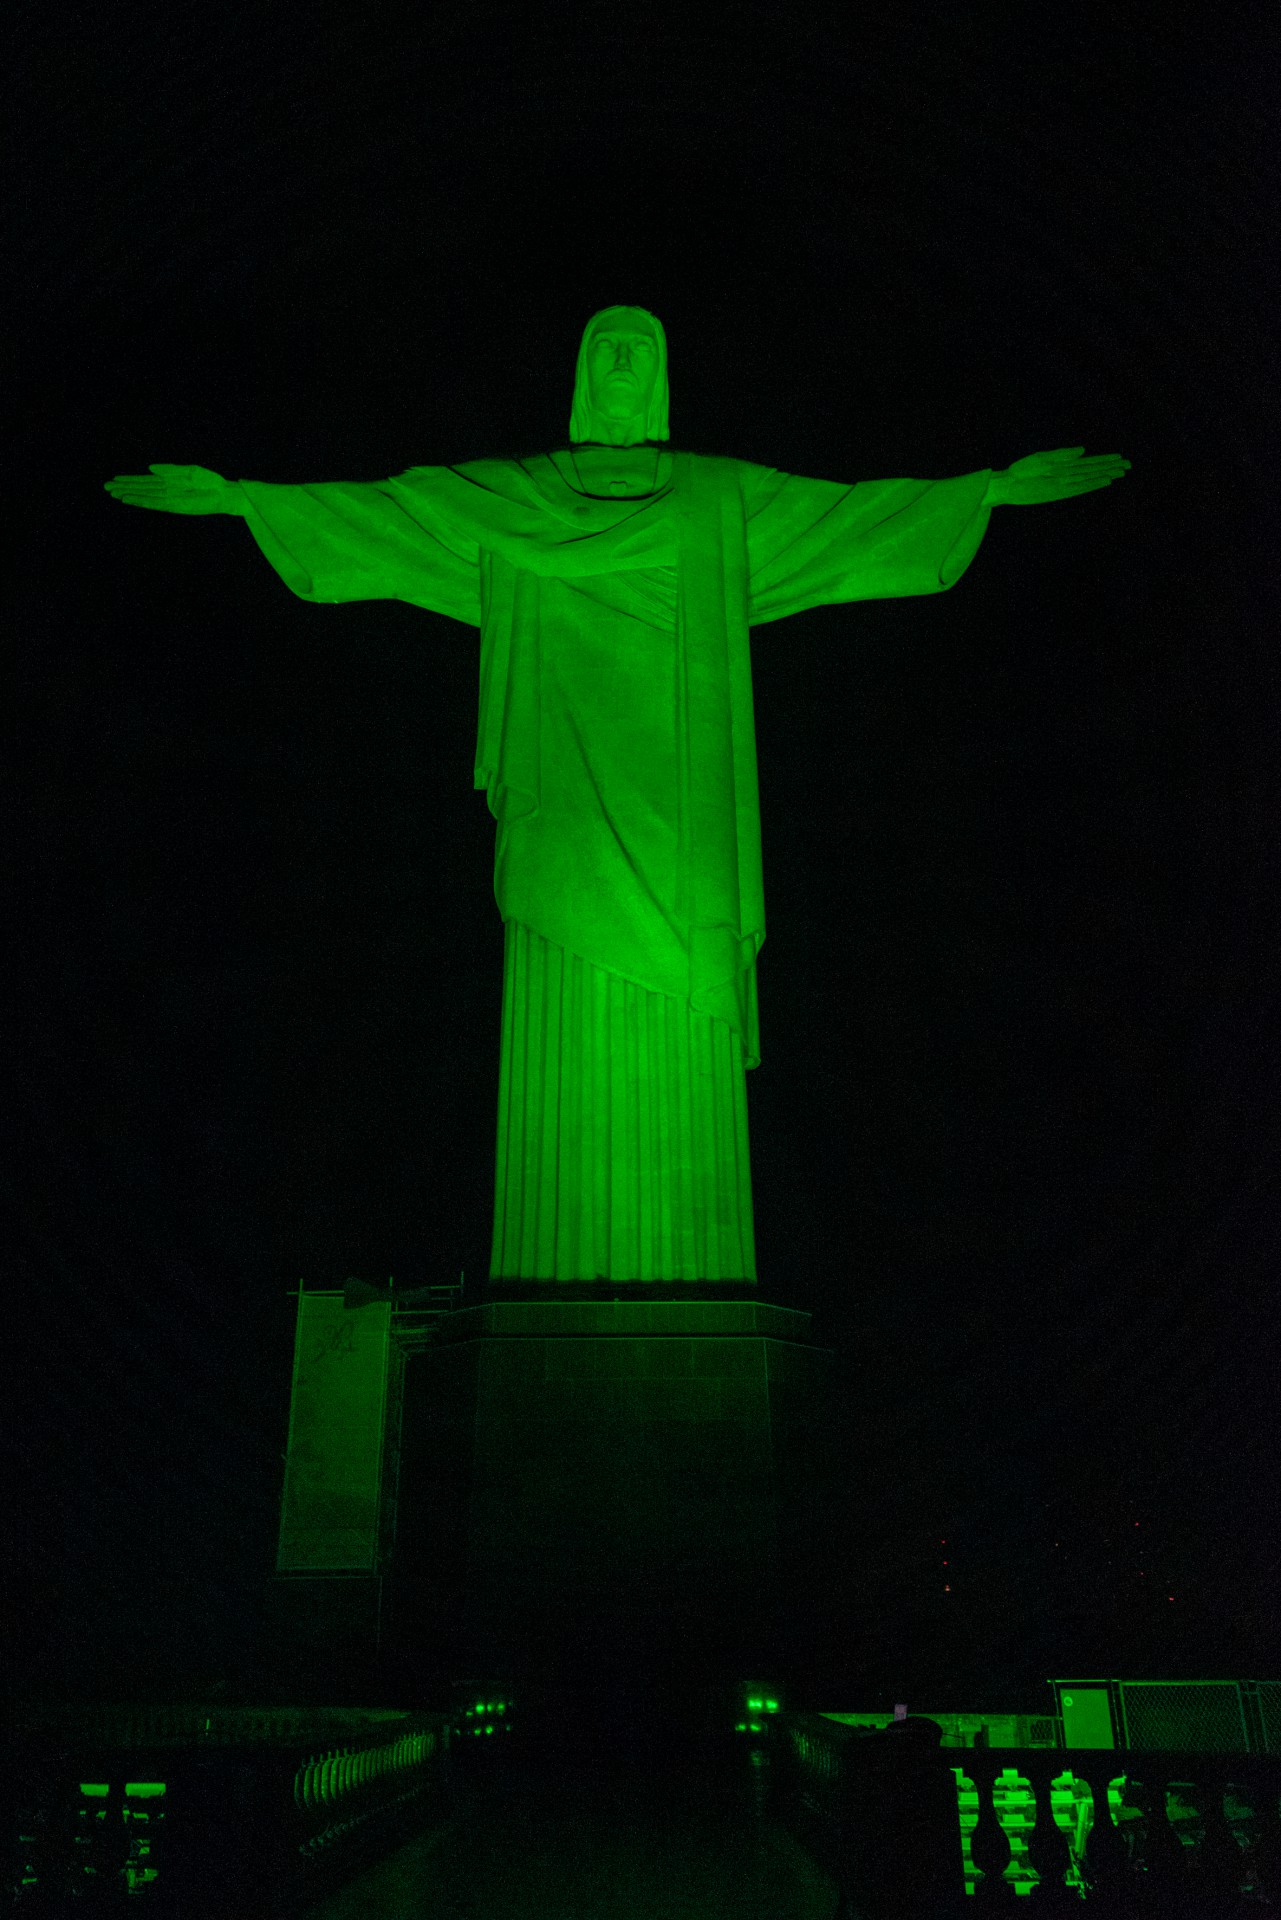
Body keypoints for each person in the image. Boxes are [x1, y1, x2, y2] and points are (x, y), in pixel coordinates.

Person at [106, 306, 1129, 1283]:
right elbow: (390, 513)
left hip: (682, 803)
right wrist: (244, 501)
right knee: (558, 974)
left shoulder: (718, 496)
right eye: (609, 351)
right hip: (558, 791)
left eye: (641, 350)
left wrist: (987, 492)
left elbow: (849, 519)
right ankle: (548, 1268)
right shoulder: (517, 494)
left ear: (664, 376)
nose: (625, 368)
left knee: (685, 983)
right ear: (583, 376)